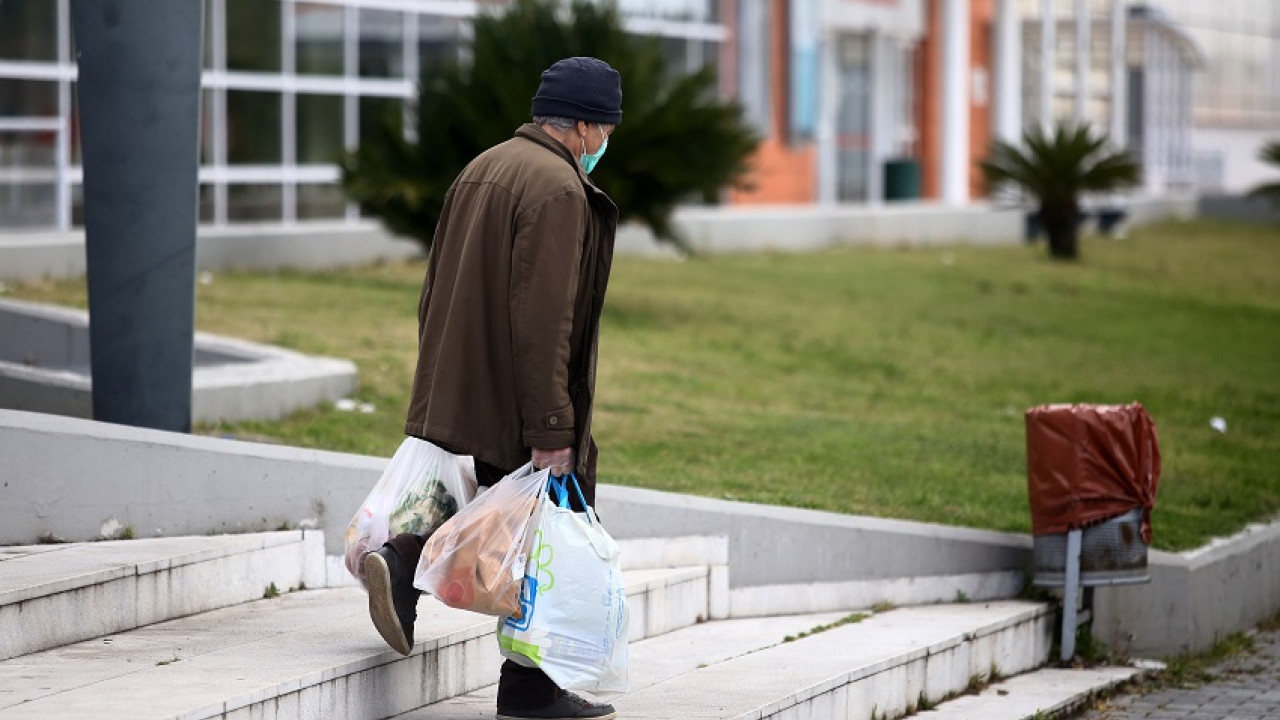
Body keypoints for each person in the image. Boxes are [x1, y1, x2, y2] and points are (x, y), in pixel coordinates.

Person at [362, 56, 623, 720]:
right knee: (540, 529)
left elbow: (434, 286)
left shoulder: (484, 166)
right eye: (607, 128)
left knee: (498, 512)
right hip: (515, 391)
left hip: (461, 376)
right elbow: (545, 320)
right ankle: (529, 695)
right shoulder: (559, 190)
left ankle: (401, 561)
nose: (605, 143)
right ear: (589, 127)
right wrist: (552, 429)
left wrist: (437, 377)